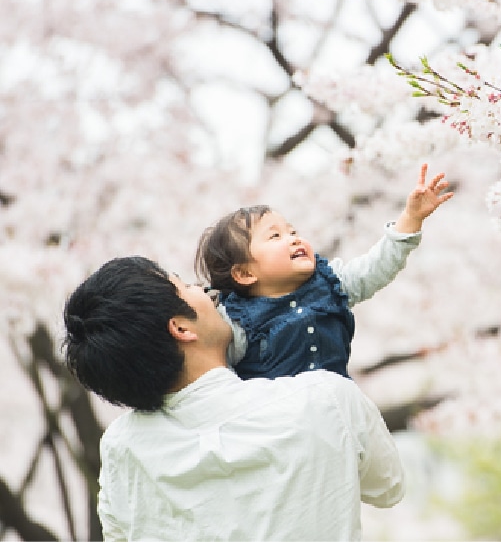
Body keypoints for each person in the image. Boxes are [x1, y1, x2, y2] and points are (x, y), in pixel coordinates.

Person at [62, 256, 405, 541]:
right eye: (187, 287)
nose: (207, 292)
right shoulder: (327, 398)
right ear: (181, 328)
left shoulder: (122, 447)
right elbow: (388, 488)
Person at [194, 163, 453, 380]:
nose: (294, 239)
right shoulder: (233, 323)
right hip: (279, 417)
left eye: (292, 231)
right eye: (275, 236)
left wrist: (410, 218)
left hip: (336, 409)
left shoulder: (331, 283)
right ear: (244, 274)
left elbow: (376, 266)